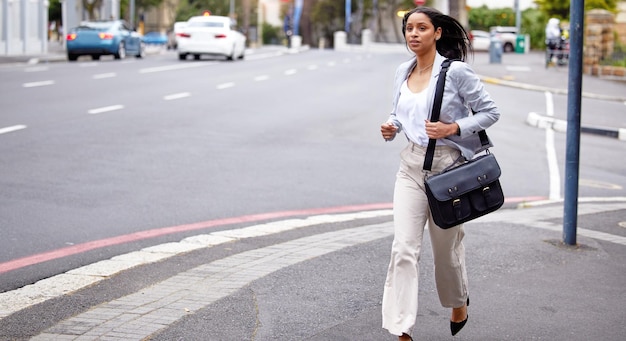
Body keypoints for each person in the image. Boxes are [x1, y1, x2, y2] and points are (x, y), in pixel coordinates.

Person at [379, 6, 500, 340]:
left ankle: (458, 301)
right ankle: (401, 328)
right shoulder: (403, 70)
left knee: (445, 253)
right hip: (411, 168)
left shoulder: (456, 72)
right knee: (403, 248)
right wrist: (393, 126)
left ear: (437, 33)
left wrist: (452, 128)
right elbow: (401, 113)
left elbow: (490, 112)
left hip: (449, 172)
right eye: (409, 29)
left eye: (421, 28)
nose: (413, 34)